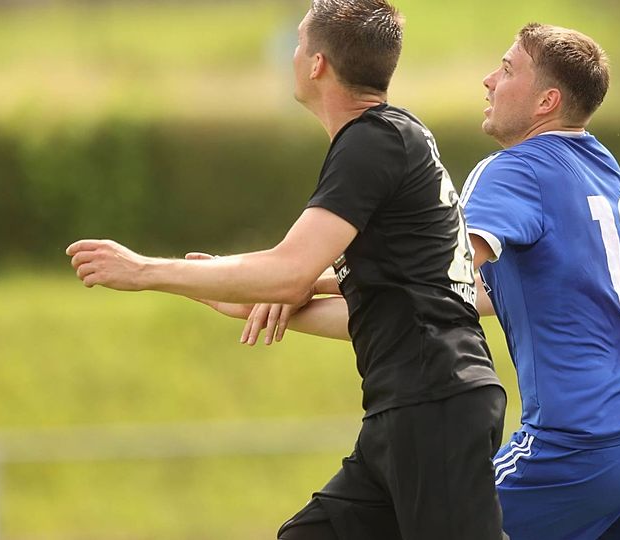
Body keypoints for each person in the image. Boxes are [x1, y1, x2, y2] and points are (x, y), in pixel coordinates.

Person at [248, 22, 620, 540]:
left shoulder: (514, 169)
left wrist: (297, 279)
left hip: (586, 444)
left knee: (421, 522)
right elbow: (458, 298)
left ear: (546, 101)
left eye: (506, 69)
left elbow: (431, 277)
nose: (487, 80)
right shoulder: (599, 163)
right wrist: (299, 300)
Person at [66, 1, 507, 539]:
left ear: (317, 64)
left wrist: (144, 271)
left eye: (299, 43)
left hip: (435, 402)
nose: (293, 55)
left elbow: (289, 270)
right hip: (408, 407)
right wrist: (241, 292)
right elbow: (377, 300)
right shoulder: (389, 138)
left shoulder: (374, 142)